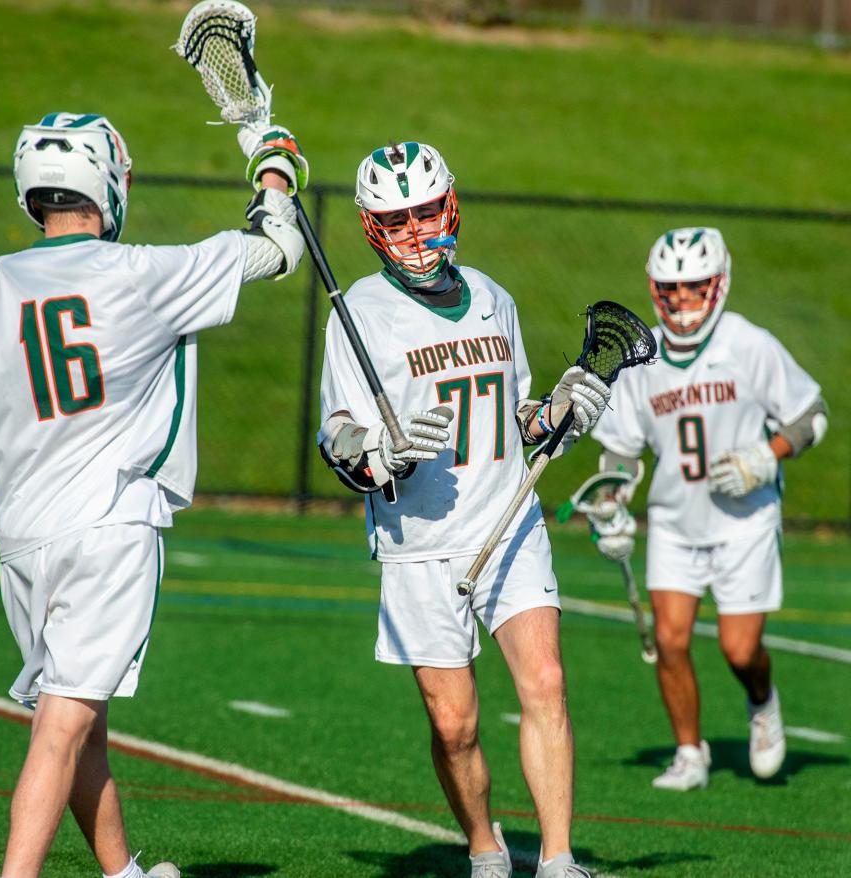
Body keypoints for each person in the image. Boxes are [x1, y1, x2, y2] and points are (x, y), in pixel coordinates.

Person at [0, 112, 308, 878]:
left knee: (79, 717)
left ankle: (122, 875)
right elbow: (281, 250)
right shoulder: (145, 273)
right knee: (64, 722)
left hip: (21, 540)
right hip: (110, 527)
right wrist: (274, 167)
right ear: (109, 180)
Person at [317, 141, 610, 878]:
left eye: (423, 212)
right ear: (370, 225)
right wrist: (379, 449)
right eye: (396, 218)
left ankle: (558, 858)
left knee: (544, 680)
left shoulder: (491, 296)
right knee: (454, 725)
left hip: (507, 522)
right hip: (418, 541)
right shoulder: (358, 313)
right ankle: (485, 847)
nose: (414, 230)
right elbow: (337, 432)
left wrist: (556, 414)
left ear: (449, 206)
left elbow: (518, 415)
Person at [587, 227, 828, 791]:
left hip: (745, 520)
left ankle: (762, 701)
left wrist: (764, 458)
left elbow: (811, 415)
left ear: (718, 285)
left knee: (740, 650)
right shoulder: (642, 354)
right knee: (670, 641)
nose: (680, 301)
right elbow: (620, 448)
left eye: (693, 288)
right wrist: (610, 503)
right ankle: (690, 752)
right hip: (675, 520)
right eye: (670, 290)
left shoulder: (748, 344)